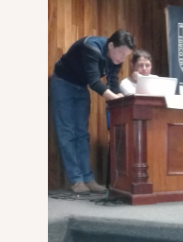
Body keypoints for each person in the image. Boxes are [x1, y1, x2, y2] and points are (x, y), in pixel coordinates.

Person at [51, 30, 135, 194]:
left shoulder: (116, 58)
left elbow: (112, 83)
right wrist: (115, 98)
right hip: (63, 83)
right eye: (121, 53)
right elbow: (95, 82)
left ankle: (88, 178)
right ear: (111, 45)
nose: (122, 59)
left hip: (80, 86)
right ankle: (76, 180)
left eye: (126, 56)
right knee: (67, 132)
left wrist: (119, 98)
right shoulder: (91, 47)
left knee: (82, 133)